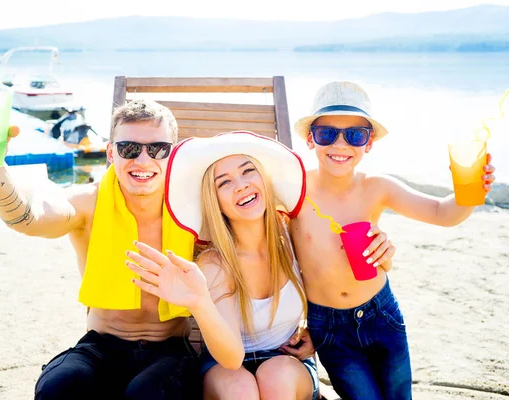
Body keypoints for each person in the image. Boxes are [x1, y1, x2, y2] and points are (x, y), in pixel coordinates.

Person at [0, 99, 199, 400]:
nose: (144, 160)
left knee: (149, 394)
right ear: (111, 153)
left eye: (158, 149)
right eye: (129, 149)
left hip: (170, 350)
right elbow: (31, 218)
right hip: (101, 345)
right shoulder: (89, 203)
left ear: (172, 154)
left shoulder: (193, 208)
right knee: (59, 388)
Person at [123, 131, 394, 400]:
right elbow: (231, 359)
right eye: (224, 182)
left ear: (264, 180)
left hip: (287, 360)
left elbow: (335, 283)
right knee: (240, 389)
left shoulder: (293, 236)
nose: (240, 185)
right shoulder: (215, 264)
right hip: (224, 365)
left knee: (276, 377)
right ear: (214, 201)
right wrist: (199, 304)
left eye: (248, 171)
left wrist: (382, 256)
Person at [291, 81, 497, 399]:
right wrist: (298, 324)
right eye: (327, 133)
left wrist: (470, 191)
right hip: (328, 325)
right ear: (310, 139)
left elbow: (443, 213)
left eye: (355, 134)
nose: (340, 144)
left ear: (369, 143)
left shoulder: (378, 187)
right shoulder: (294, 193)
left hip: (381, 314)